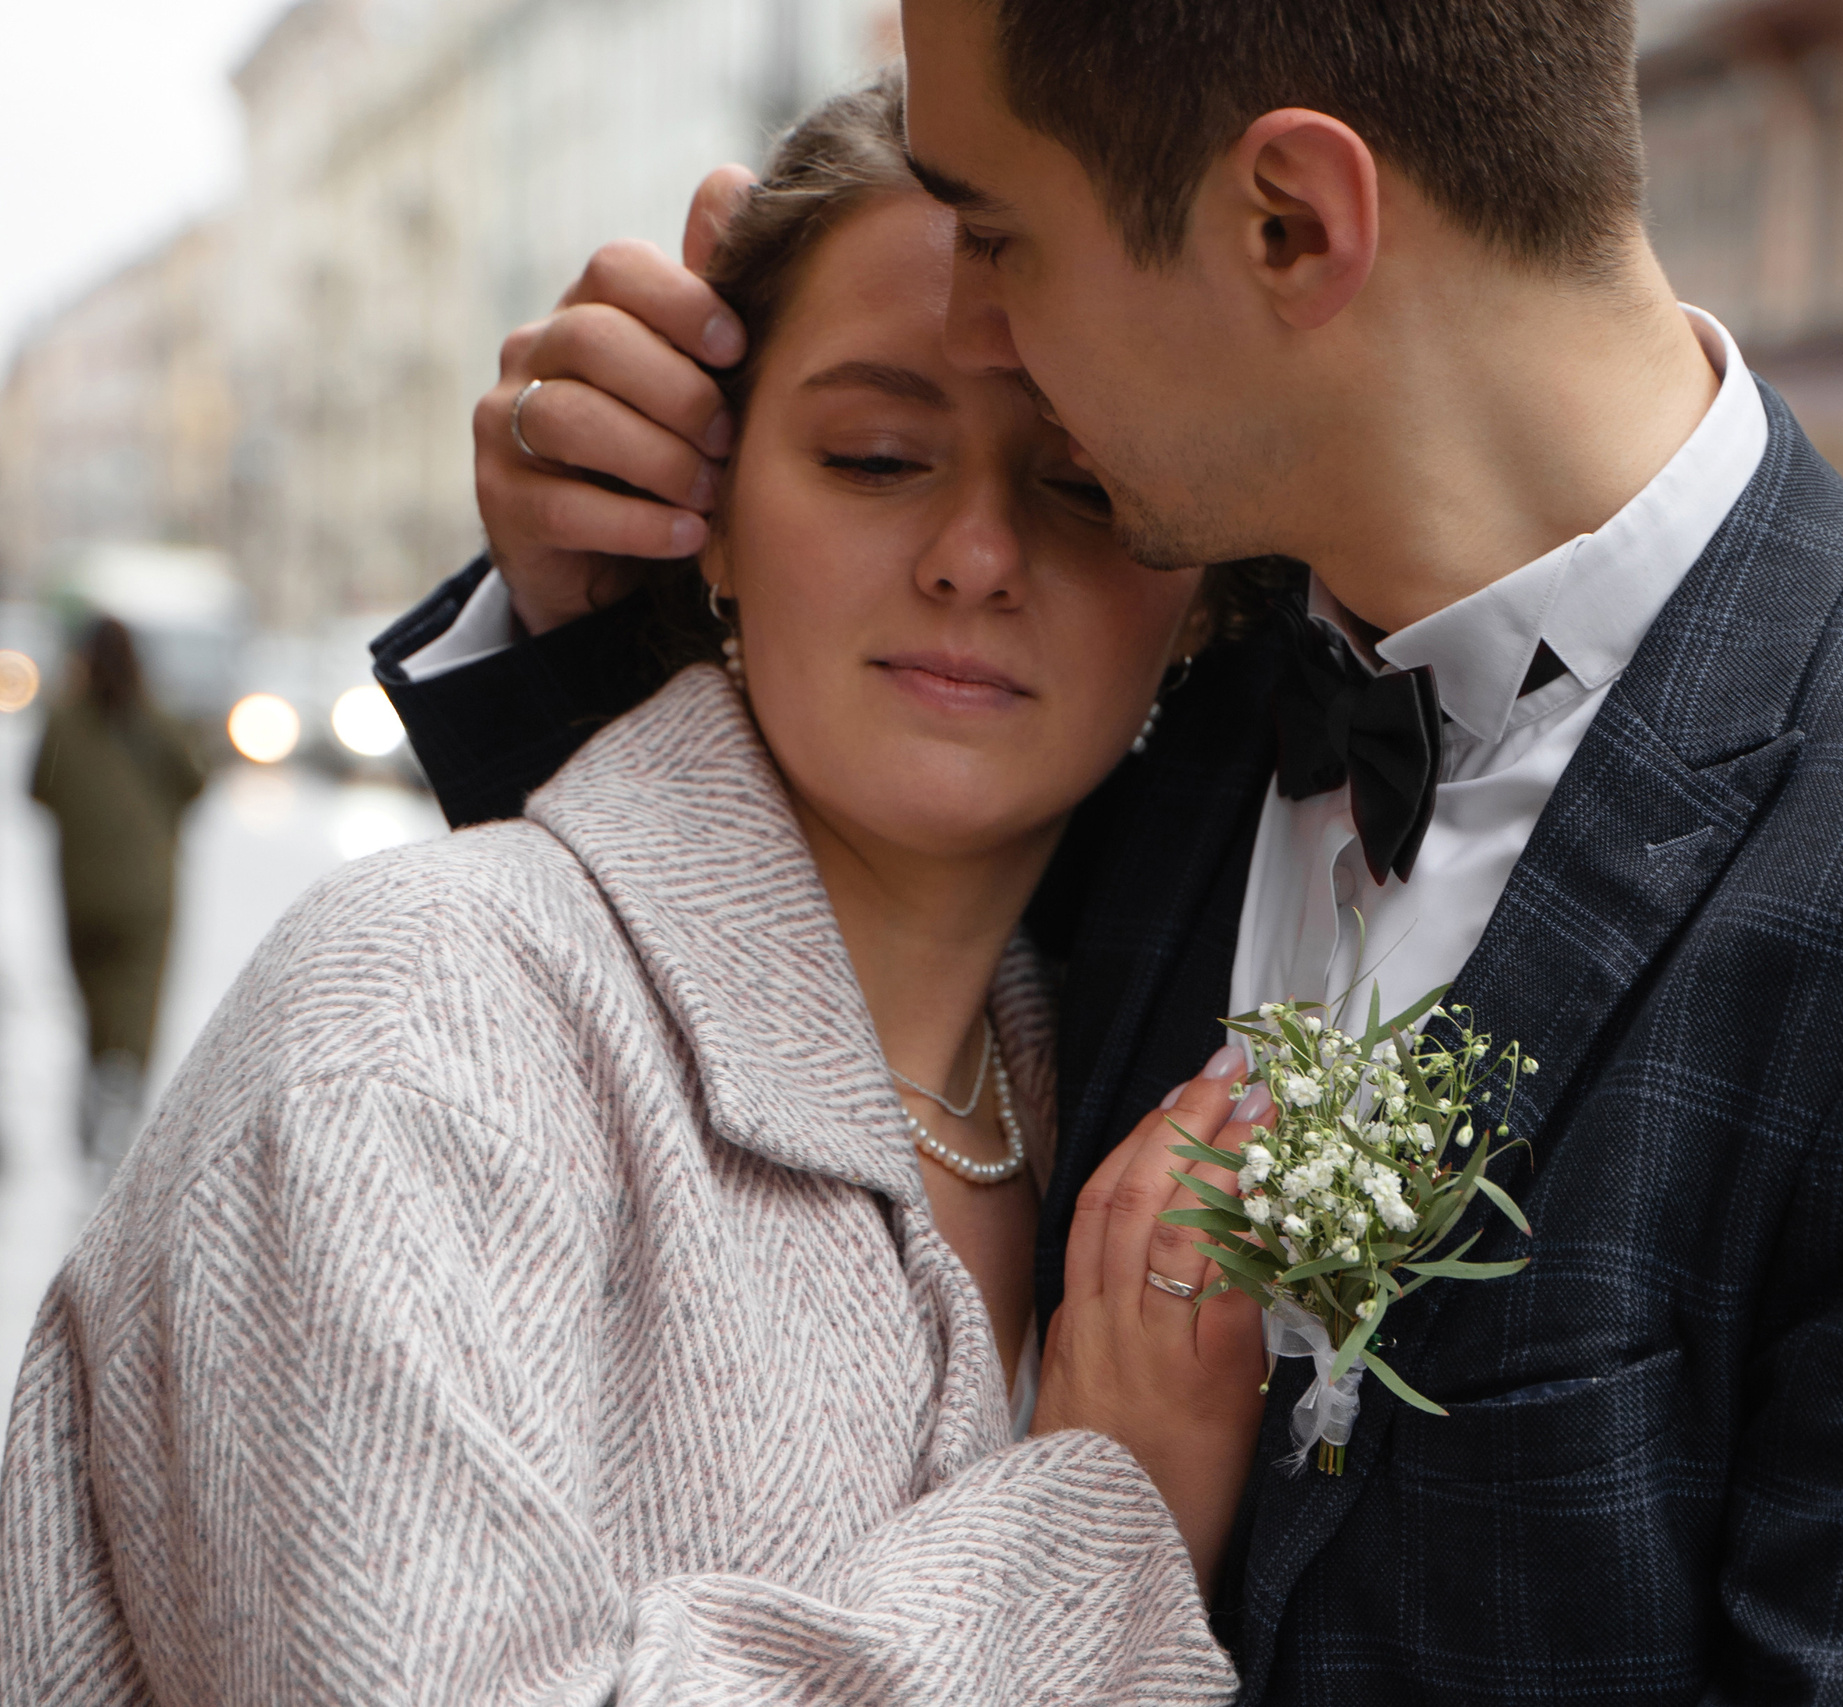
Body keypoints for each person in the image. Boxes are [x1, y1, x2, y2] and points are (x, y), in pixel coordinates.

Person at [365, 3, 1843, 1702]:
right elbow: (744, 1003)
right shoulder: (1156, 669)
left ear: (1291, 222)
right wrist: (604, 582)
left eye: (1002, 234)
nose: (966, 314)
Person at [0, 77, 1275, 1702]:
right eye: (876, 454)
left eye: (1086, 483)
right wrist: (1102, 1533)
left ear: (1199, 593)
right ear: (710, 517)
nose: (974, 552)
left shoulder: (1117, 1086)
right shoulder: (409, 1032)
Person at [27, 615, 205, 1164]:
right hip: (147, 889)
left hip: (81, 889)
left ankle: (100, 1084)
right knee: (137, 997)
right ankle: (119, 1091)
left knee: (94, 998)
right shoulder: (156, 720)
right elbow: (195, 781)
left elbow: (37, 790)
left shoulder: (63, 723)